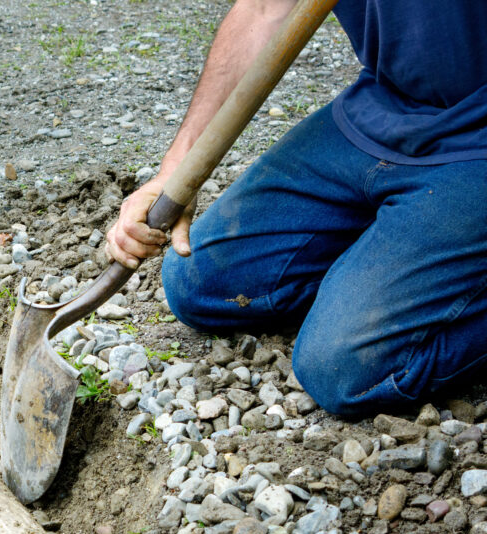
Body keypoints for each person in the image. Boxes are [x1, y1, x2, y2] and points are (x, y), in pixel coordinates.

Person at [105, 0, 487, 417]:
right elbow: (263, 9)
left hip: (478, 142)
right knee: (198, 280)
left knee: (343, 370)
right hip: (384, 106)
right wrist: (174, 174)